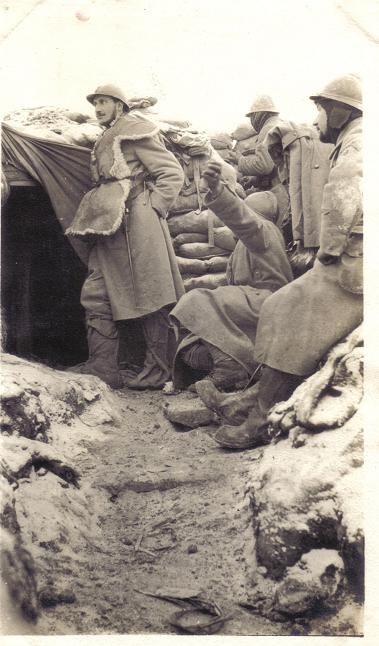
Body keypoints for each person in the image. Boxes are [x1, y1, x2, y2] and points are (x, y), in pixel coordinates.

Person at [199, 74, 363, 449]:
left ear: (338, 111)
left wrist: (329, 251)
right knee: (280, 304)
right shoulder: (353, 139)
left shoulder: (356, 143)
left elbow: (343, 195)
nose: (317, 118)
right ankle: (252, 398)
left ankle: (259, 418)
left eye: (321, 109)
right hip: (353, 260)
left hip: (355, 266)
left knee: (293, 310)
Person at [66, 84, 185, 389]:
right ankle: (103, 367)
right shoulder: (108, 133)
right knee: (95, 292)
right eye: (96, 104)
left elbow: (171, 172)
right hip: (109, 224)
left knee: (150, 292)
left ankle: (159, 371)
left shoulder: (133, 130)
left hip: (138, 223)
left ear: (119, 105)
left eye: (104, 102)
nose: (98, 108)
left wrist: (152, 205)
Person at [170, 167, 293, 392]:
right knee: (193, 347)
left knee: (196, 300)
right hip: (253, 301)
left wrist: (220, 192)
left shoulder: (263, 230)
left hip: (267, 301)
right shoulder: (246, 242)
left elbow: (244, 221)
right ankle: (238, 369)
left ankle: (230, 369)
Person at [238, 95, 282, 192]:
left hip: (279, 188)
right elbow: (274, 163)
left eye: (252, 116)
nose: (252, 121)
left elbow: (264, 166)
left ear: (259, 114)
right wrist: (255, 180)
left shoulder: (267, 128)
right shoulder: (278, 124)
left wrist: (239, 160)